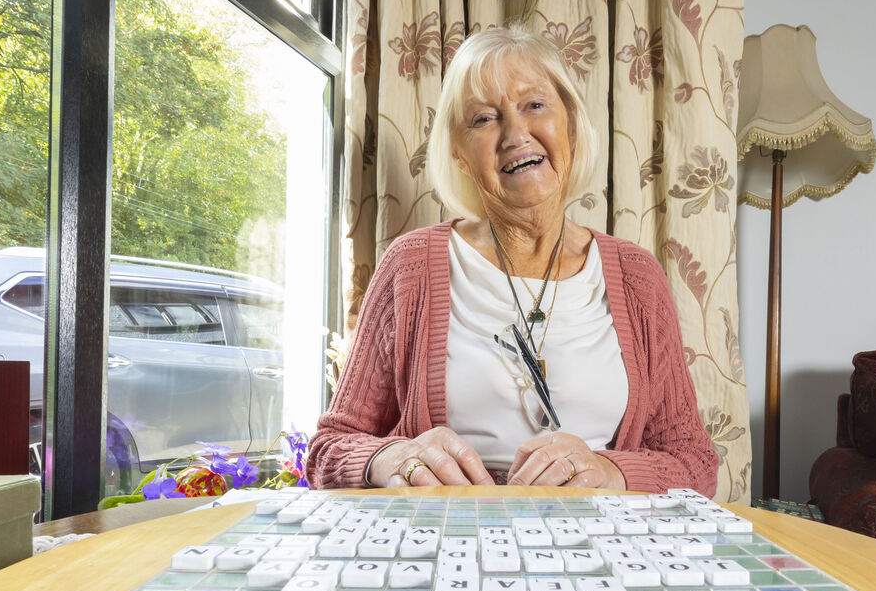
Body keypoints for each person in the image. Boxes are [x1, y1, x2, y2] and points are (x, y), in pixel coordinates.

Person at [307, 24, 718, 494]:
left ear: (570, 123)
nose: (515, 134)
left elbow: (695, 462)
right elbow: (328, 447)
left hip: (600, 548)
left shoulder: (636, 275)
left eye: (535, 105)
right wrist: (387, 457)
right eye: (484, 119)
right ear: (460, 154)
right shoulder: (410, 266)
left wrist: (613, 472)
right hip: (451, 542)